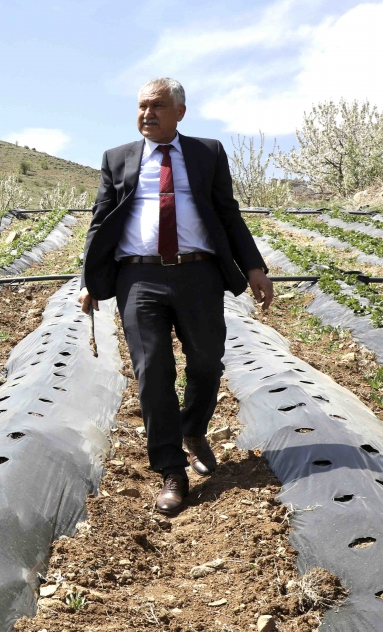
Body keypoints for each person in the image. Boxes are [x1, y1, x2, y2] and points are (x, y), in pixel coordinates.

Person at [79, 77, 273, 516]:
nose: (147, 114)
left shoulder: (208, 153)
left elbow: (227, 213)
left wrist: (254, 267)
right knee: (152, 370)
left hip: (198, 273)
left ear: (180, 112)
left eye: (158, 106)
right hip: (138, 277)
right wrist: (89, 279)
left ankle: (193, 429)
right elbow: (100, 221)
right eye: (142, 106)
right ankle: (171, 471)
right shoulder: (117, 158)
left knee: (206, 360)